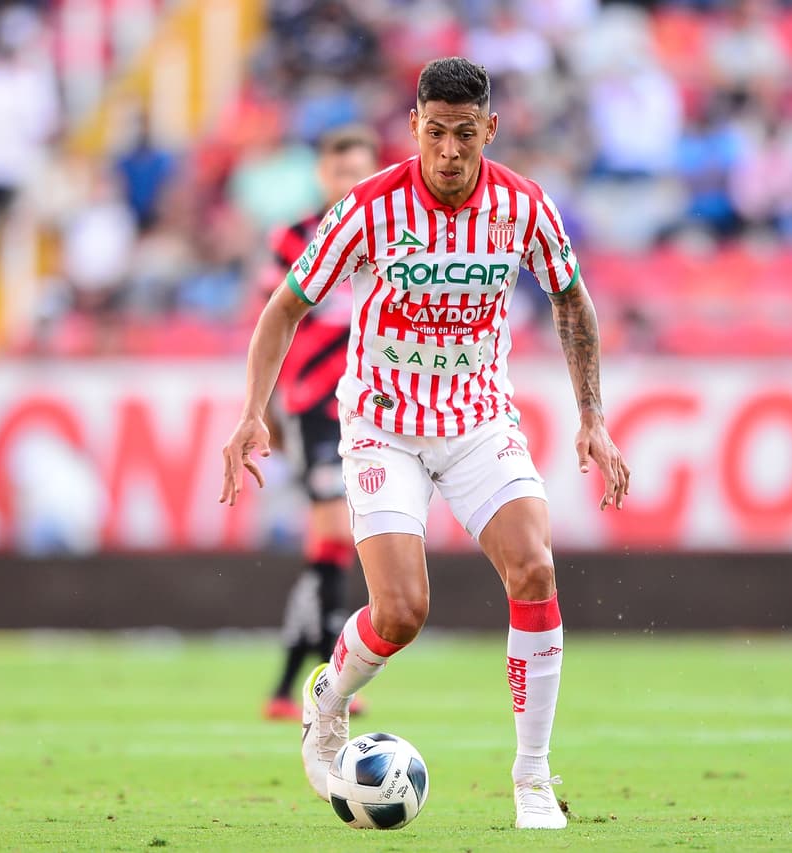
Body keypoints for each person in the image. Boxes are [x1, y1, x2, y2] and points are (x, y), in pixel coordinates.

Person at [219, 57, 630, 830]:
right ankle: (328, 697)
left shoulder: (523, 205)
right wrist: (252, 411)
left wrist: (593, 415)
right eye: (434, 132)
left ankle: (533, 778)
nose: (448, 150)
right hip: (382, 426)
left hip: (479, 420)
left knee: (536, 568)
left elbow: (572, 299)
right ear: (413, 127)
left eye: (465, 134)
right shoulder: (366, 209)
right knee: (402, 610)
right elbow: (283, 308)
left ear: (490, 130)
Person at [260, 126, 381, 722]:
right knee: (334, 535)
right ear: (322, 177)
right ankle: (330, 684)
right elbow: (273, 317)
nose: (350, 184)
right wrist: (264, 408)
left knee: (331, 547)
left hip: (371, 406)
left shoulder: (392, 230)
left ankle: (288, 687)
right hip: (315, 406)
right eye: (340, 174)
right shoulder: (295, 238)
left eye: (361, 173)